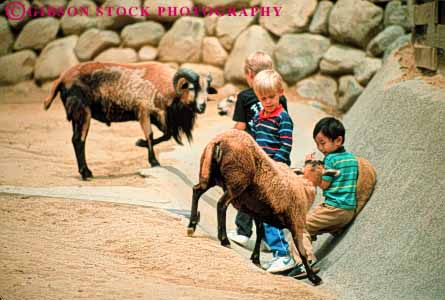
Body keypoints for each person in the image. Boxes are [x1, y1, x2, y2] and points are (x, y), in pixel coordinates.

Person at [227, 51, 287, 249]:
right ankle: (267, 240)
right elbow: (283, 126)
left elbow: (241, 128)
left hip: (254, 155)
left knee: (247, 193)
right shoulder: (279, 98)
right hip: (276, 152)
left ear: (249, 74)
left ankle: (243, 232)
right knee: (269, 197)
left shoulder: (244, 96)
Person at [288, 117, 359, 278]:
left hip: (333, 208)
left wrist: (312, 169)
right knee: (310, 228)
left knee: (298, 226)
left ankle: (305, 263)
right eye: (317, 143)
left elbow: (324, 185)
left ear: (338, 140)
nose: (320, 148)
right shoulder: (352, 159)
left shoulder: (331, 160)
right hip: (348, 210)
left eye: (323, 142)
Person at [249, 69, 296, 273]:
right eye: (263, 98)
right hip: (261, 169)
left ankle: (283, 254)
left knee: (271, 213)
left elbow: (286, 146)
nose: (267, 101)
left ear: (281, 93)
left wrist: (274, 166)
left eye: (271, 97)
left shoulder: (282, 118)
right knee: (259, 211)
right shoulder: (259, 117)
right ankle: (275, 250)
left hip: (275, 170)